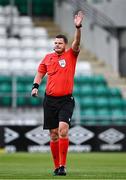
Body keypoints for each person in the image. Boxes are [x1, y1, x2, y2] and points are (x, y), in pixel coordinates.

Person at [31, 11, 84, 176]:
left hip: (66, 100)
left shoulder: (71, 55)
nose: (56, 45)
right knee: (53, 135)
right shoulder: (48, 58)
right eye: (55, 43)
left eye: (60, 43)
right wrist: (35, 86)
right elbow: (40, 73)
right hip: (49, 101)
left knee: (62, 130)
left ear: (65, 45)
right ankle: (56, 167)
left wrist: (78, 27)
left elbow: (77, 42)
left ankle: (63, 165)